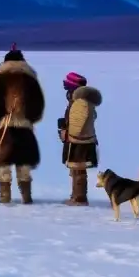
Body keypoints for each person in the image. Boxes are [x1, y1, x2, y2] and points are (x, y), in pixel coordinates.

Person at [0, 44, 45, 205]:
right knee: (24, 162)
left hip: (4, 125)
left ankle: (5, 195)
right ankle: (26, 196)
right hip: (24, 126)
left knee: (3, 161)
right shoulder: (30, 79)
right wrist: (30, 118)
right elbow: (38, 104)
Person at [58, 72, 101, 206]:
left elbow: (79, 124)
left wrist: (68, 134)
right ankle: (76, 195)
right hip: (83, 140)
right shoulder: (81, 101)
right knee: (76, 170)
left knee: (78, 170)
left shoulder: (80, 102)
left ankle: (79, 198)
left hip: (79, 141)